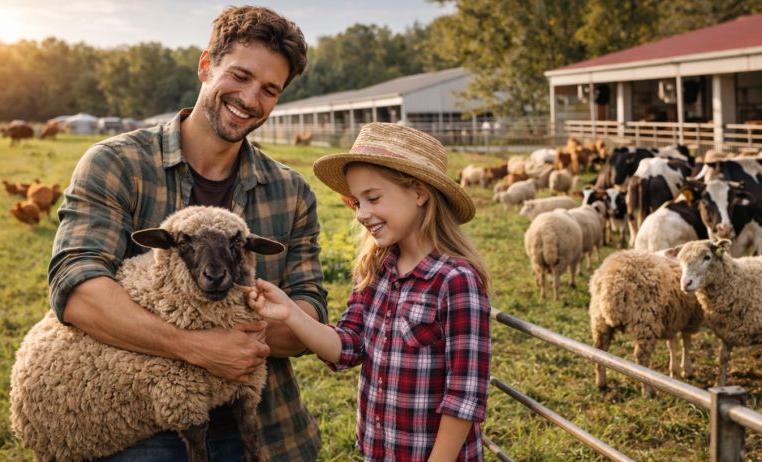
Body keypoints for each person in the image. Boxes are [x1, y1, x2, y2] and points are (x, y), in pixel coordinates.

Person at [48, 6, 325, 461]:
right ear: (205, 65)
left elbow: (309, 309)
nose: (250, 98)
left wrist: (248, 337)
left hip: (261, 420)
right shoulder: (116, 164)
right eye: (240, 75)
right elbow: (77, 289)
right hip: (146, 423)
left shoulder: (292, 192)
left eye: (269, 89)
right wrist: (194, 345)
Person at [241, 123, 493, 461]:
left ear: (419, 193)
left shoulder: (456, 281)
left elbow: (464, 397)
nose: (361, 214)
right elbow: (348, 346)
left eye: (373, 198)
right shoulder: (375, 272)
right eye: (357, 202)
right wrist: (290, 312)